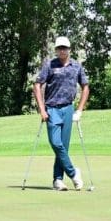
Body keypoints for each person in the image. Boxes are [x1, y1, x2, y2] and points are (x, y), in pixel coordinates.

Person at [33, 36, 90, 191]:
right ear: (56, 50)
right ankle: (73, 173)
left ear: (69, 49)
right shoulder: (49, 65)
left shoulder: (76, 66)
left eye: (65, 48)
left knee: (63, 146)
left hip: (68, 109)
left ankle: (58, 180)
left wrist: (79, 110)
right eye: (59, 48)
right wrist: (42, 109)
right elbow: (37, 85)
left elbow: (85, 87)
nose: (62, 50)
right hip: (52, 109)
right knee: (55, 143)